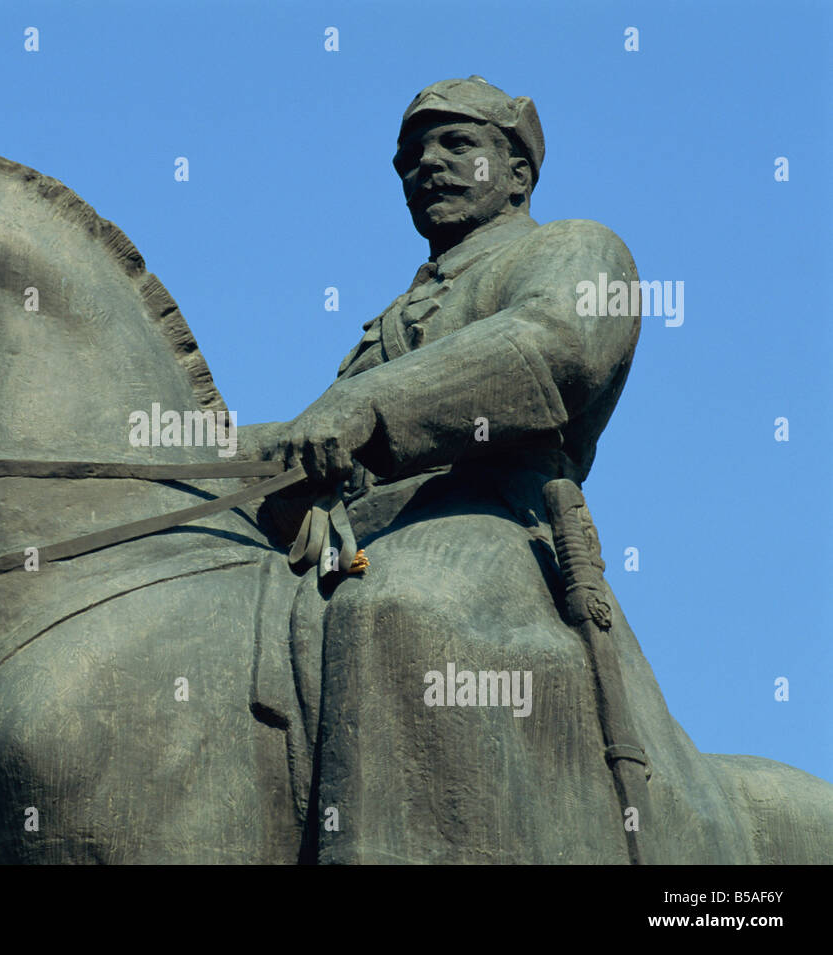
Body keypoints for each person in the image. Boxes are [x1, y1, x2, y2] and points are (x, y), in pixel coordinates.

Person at [242, 76, 833, 863]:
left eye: (457, 145)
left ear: (516, 172)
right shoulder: (391, 317)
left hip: (496, 520)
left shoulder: (574, 249)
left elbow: (552, 348)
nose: (427, 165)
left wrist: (372, 408)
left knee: (395, 606)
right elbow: (305, 439)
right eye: (411, 156)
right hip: (362, 532)